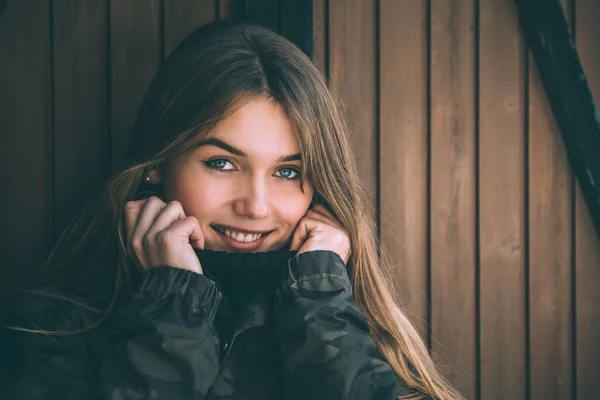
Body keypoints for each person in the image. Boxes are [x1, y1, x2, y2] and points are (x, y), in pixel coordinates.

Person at [0, 19, 462, 400]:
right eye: (222, 163)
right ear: (158, 163)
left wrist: (321, 303)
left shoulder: (350, 328)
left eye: (287, 172)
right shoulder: (49, 333)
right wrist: (173, 306)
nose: (256, 206)